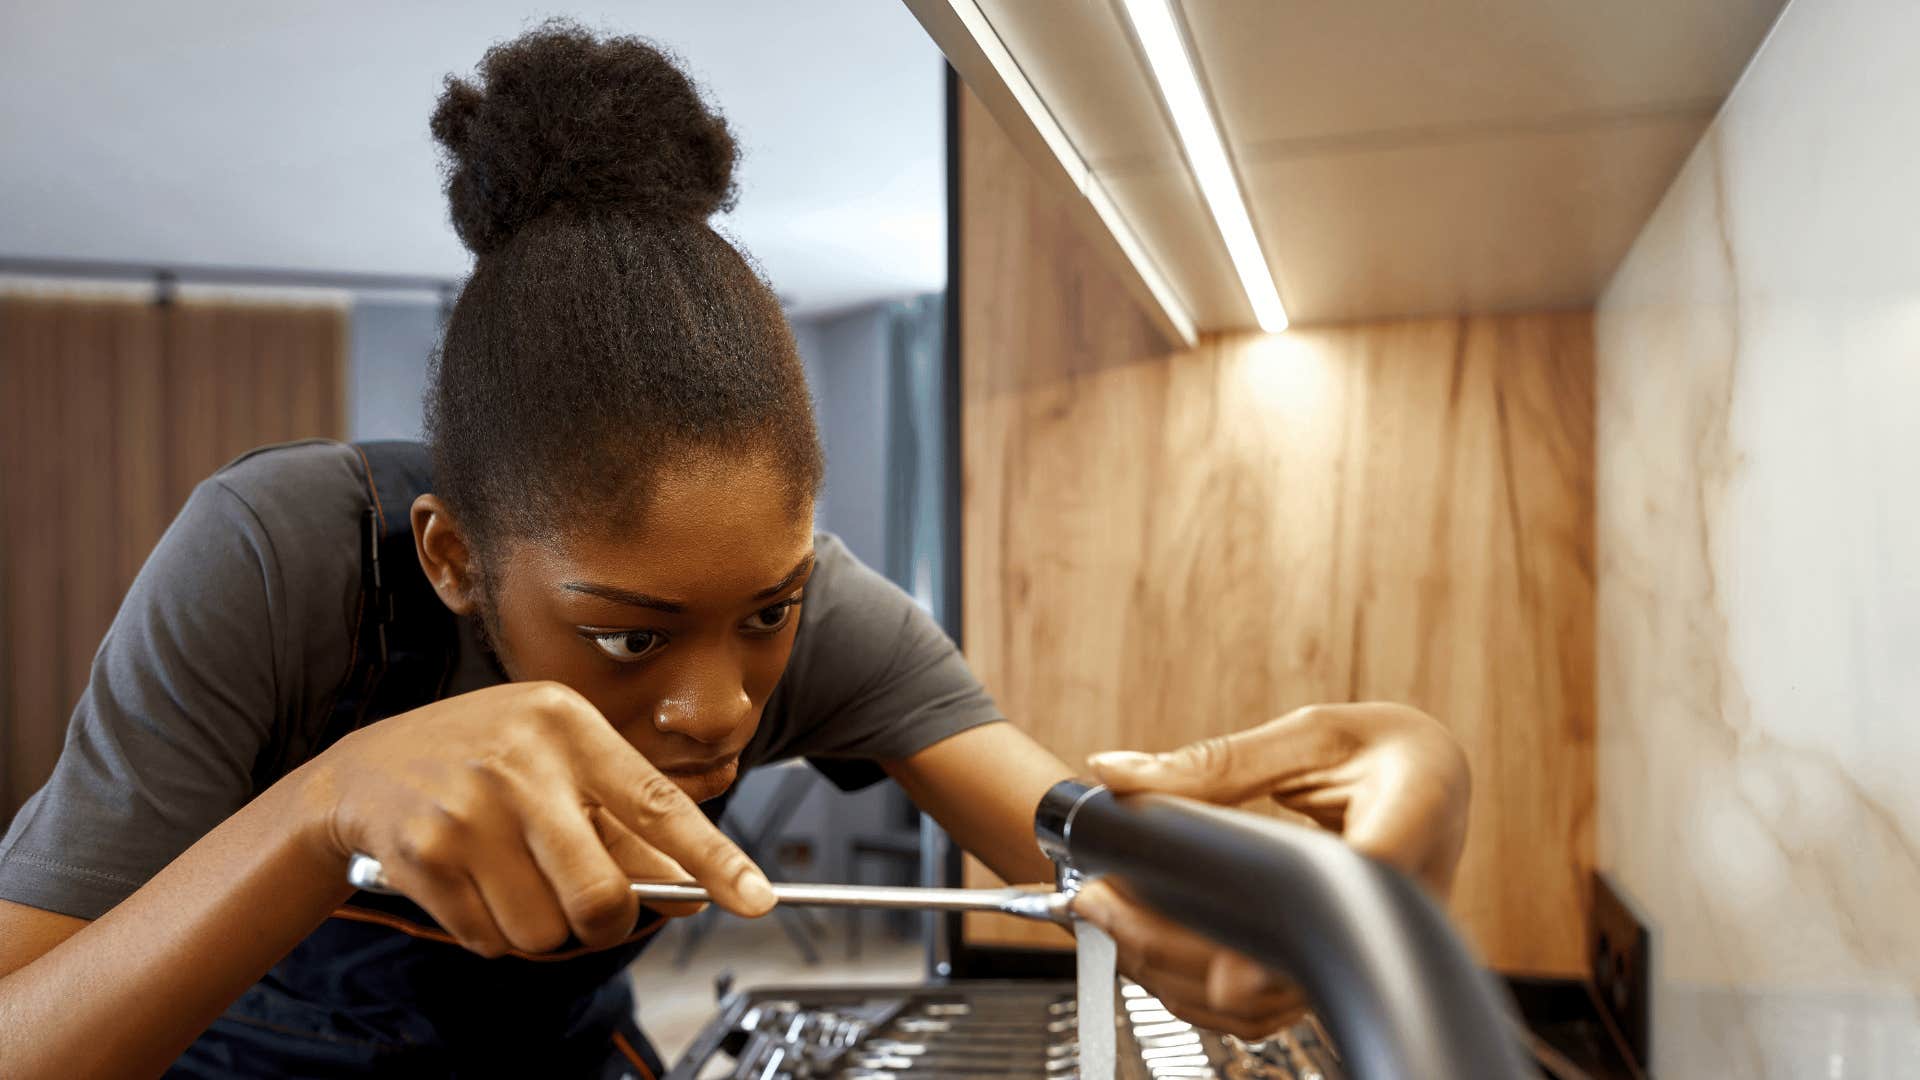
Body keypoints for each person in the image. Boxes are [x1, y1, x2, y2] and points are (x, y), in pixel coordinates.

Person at [0, 22, 1469, 1079]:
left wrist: (1294, 903)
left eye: (765, 612)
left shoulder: (822, 619)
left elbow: (1076, 842)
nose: (718, 705)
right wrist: (319, 813)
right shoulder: (274, 563)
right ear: (451, 559)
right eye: (628, 635)